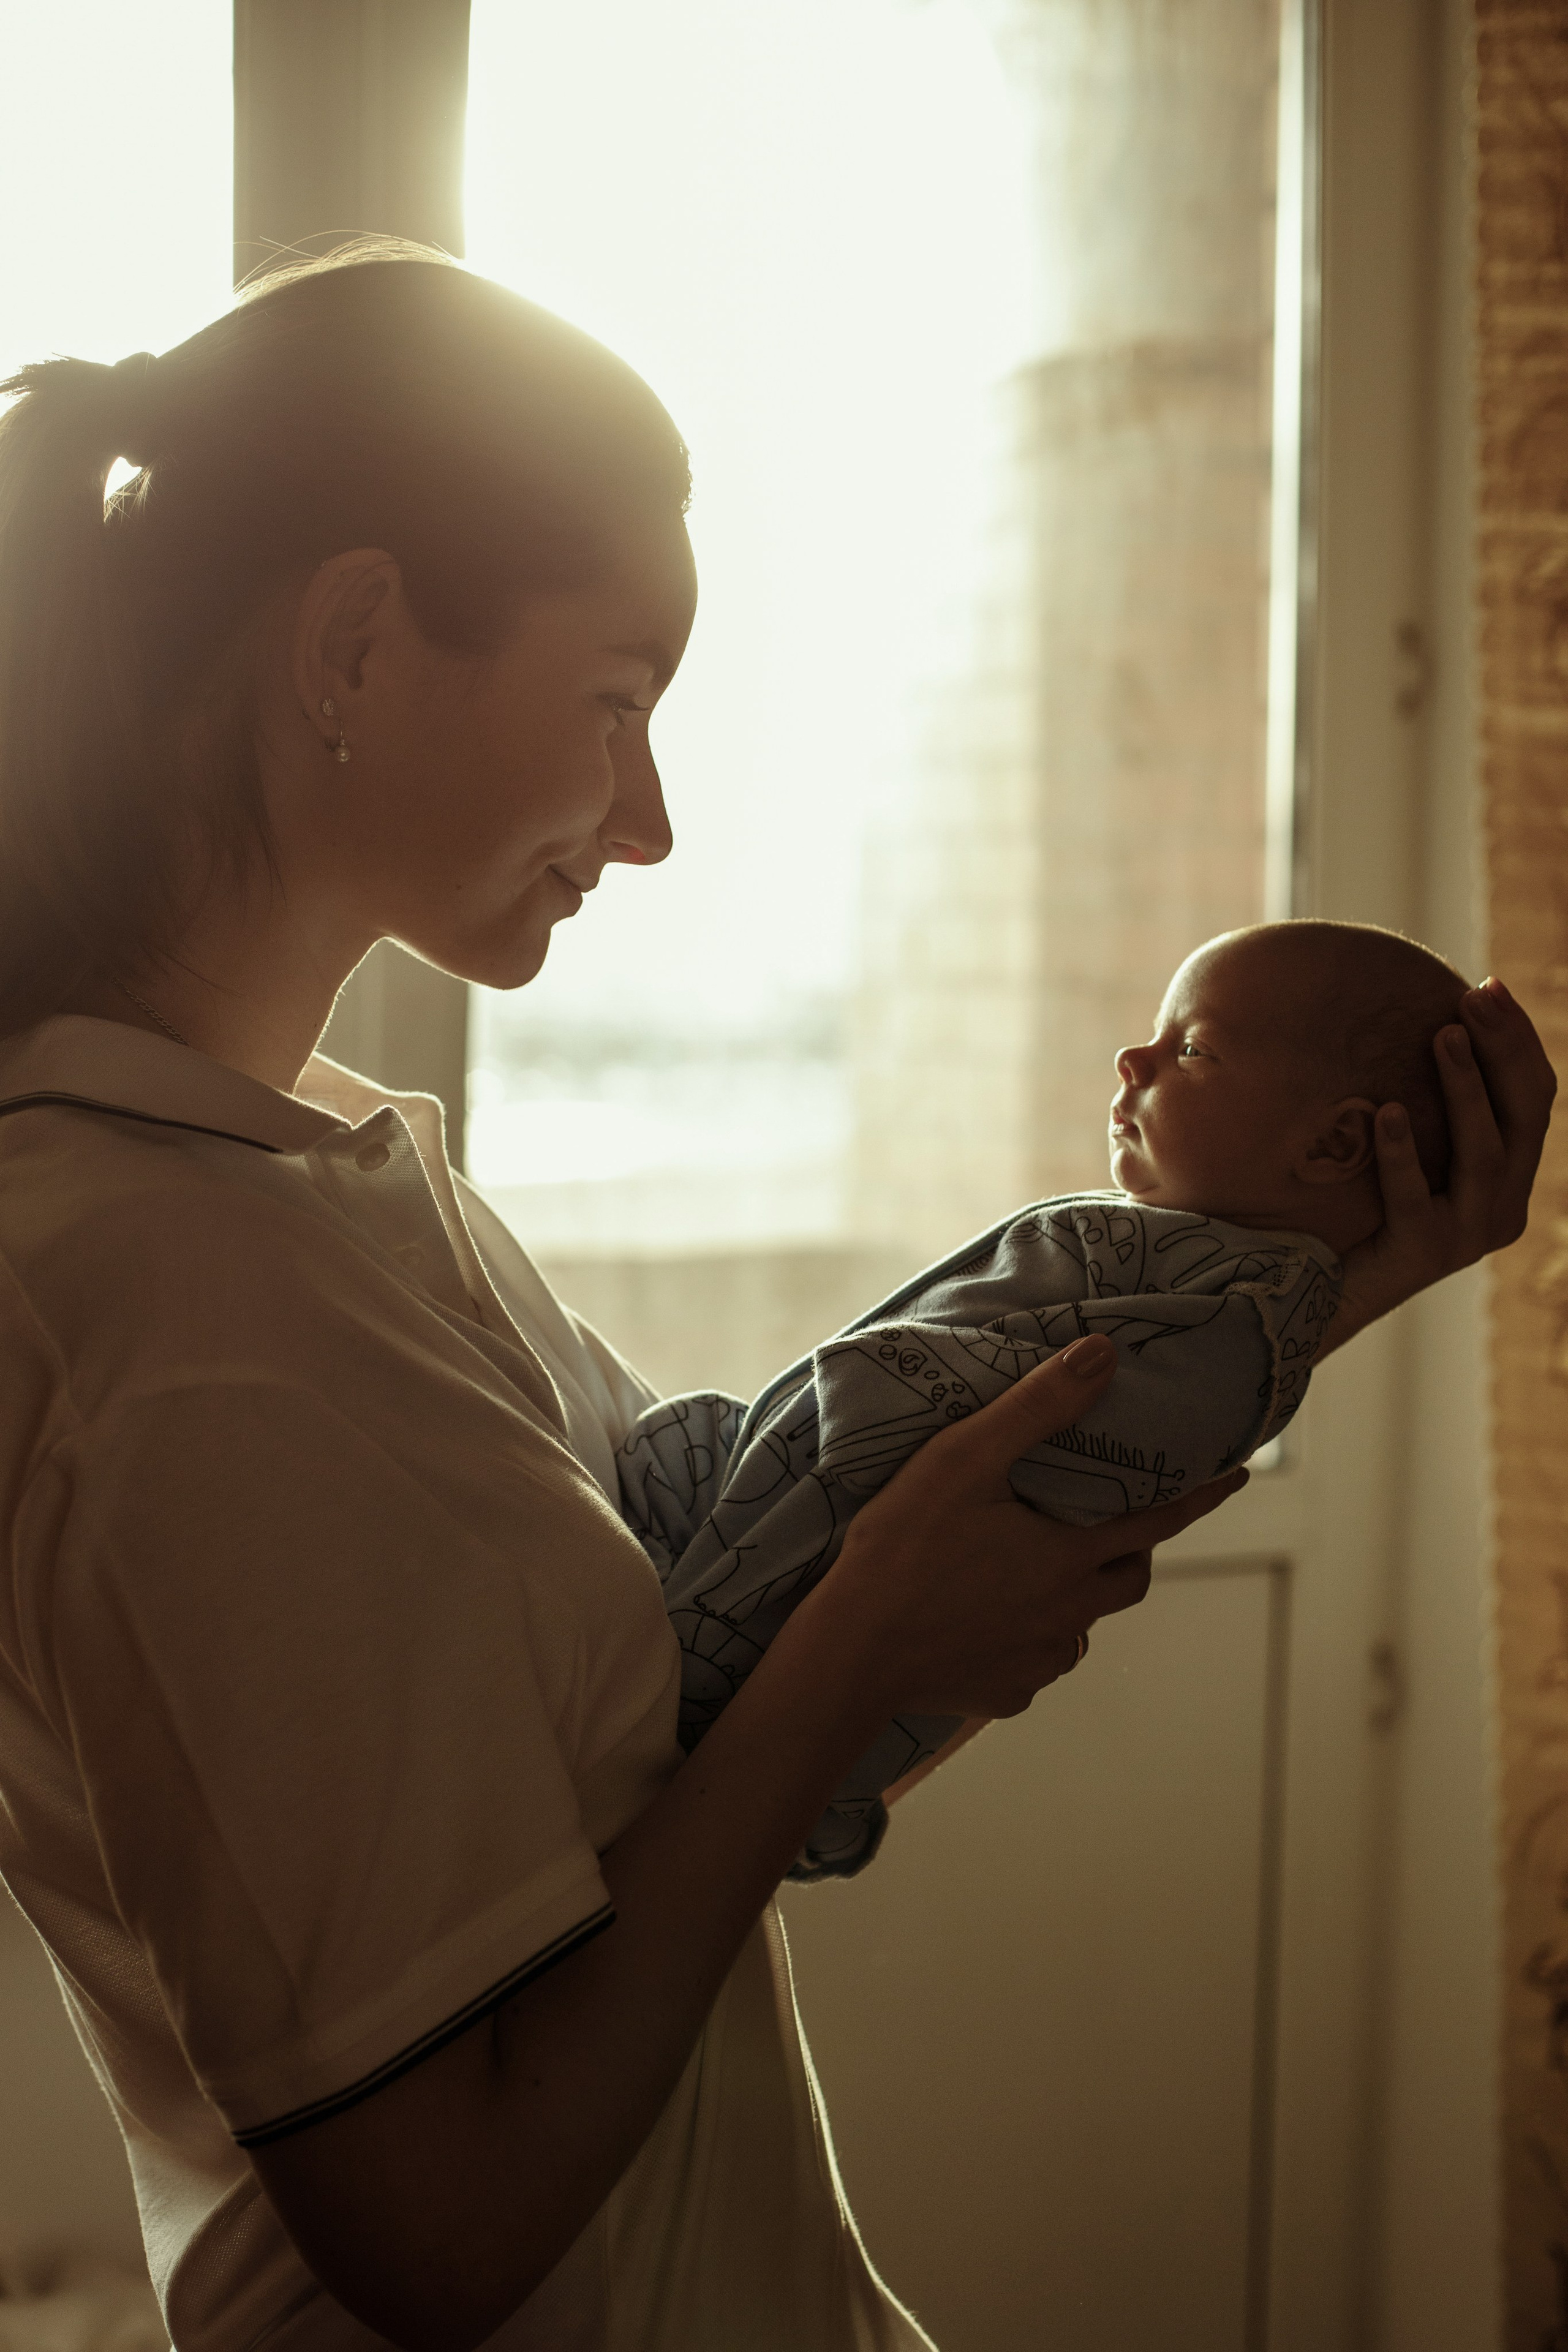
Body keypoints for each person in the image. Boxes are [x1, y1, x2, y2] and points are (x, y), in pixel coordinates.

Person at [0, 244, 1550, 2352]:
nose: (646, 821)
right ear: (353, 643)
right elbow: (438, 2240)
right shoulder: (159, 1311)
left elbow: (725, 1682)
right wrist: (863, 1656)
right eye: (618, 703)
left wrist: (1304, 1287)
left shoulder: (331, 1167)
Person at [619, 919, 1494, 1877]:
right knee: (677, 1458)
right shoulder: (1200, 1265)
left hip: (825, 1522)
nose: (1134, 1057)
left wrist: (864, 1393)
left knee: (679, 1576)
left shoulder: (1233, 1333)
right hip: (815, 1480)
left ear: (1331, 1144)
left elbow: (1056, 1455)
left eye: (1191, 1048)